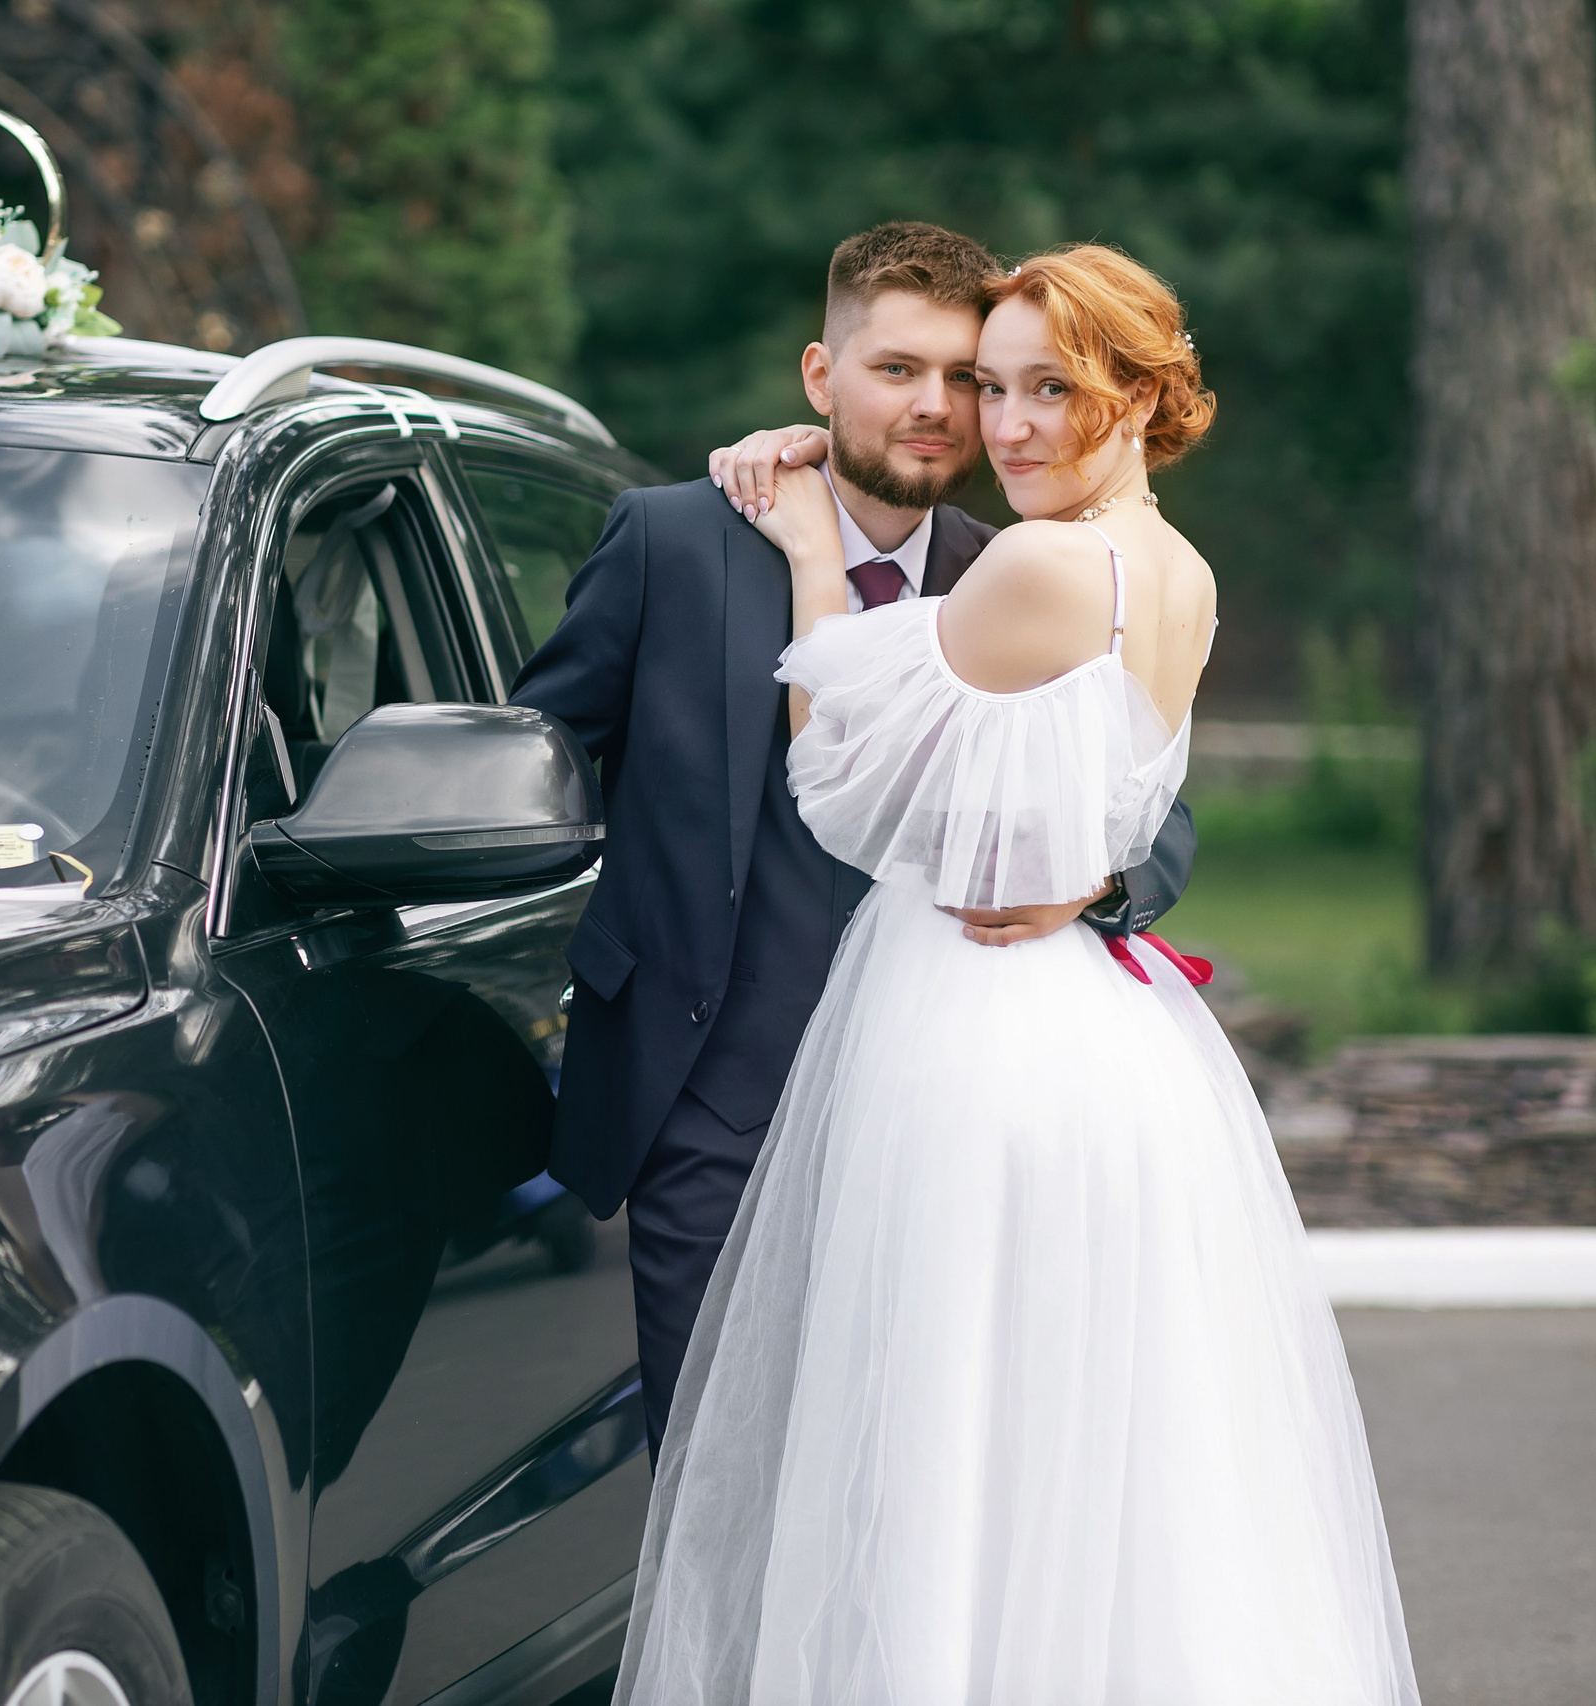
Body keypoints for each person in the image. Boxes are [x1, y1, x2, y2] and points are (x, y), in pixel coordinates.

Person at [615, 245, 1419, 1703]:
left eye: (1057, 389)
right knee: (1097, 1447)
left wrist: (808, 556)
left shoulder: (1040, 564)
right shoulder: (1179, 566)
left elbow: (845, 772)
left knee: (938, 1436)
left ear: (1141, 398)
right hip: (1112, 1049)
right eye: (998, 387)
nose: (1010, 425)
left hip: (976, 1039)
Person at [509, 222, 1196, 1458]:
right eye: (898, 371)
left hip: (946, 1121)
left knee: (913, 1487)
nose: (941, 409)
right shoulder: (671, 543)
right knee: (718, 1482)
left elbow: (1157, 815)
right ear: (821, 380)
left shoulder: (1022, 570)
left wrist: (1093, 881)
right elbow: (530, 758)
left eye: (968, 378)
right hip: (707, 1108)